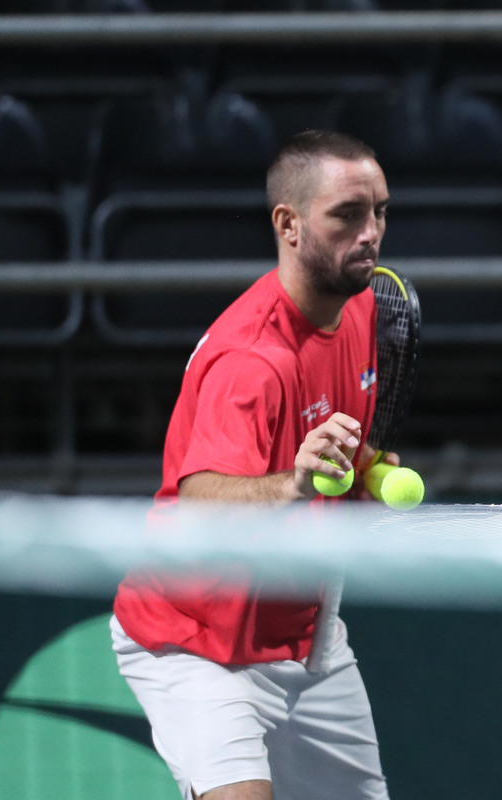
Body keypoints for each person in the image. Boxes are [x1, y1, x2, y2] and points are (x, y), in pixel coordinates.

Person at [111, 130, 393, 800]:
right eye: (348, 215)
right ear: (288, 224)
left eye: (381, 211)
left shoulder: (362, 308)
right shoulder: (249, 360)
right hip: (200, 642)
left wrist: (368, 468)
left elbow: (339, 442)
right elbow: (201, 494)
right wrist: (295, 480)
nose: (372, 233)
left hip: (307, 635)